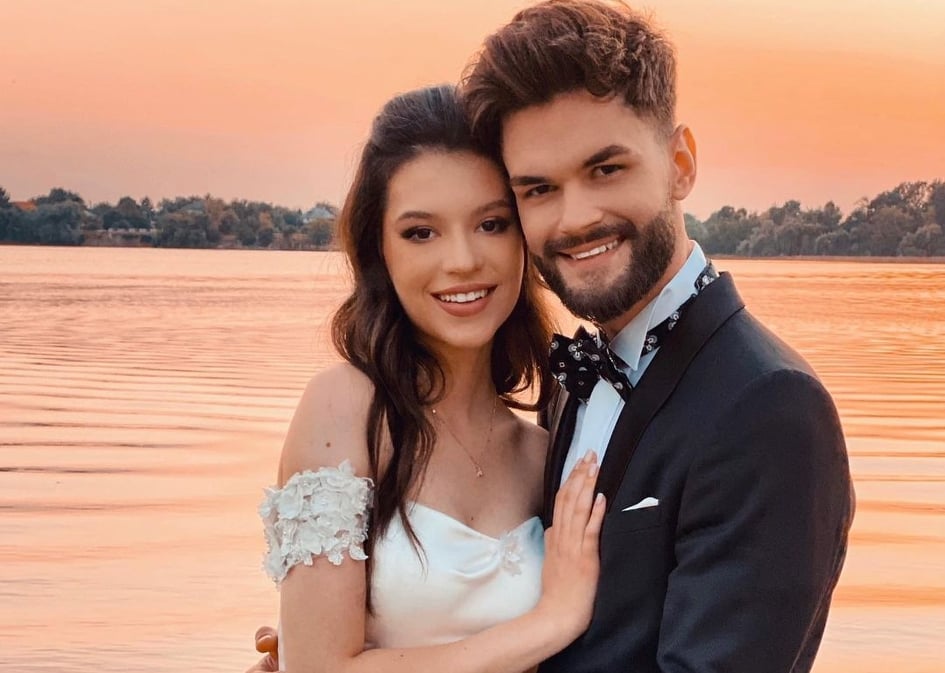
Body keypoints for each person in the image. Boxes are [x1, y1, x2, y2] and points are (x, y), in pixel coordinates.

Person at [250, 1, 854, 671]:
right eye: (538, 189)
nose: (575, 218)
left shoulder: (768, 405)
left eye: (606, 169)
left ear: (680, 162)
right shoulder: (565, 397)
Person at [254, 83, 607, 673]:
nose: (462, 260)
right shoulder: (346, 409)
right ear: (380, 251)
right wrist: (551, 621)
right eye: (421, 232)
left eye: (491, 224)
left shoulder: (541, 450)